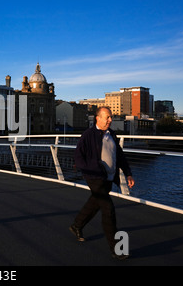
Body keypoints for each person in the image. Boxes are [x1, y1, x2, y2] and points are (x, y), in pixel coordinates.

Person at [69, 106, 135, 260]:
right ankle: (117, 249)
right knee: (108, 209)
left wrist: (128, 174)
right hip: (95, 178)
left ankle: (76, 225)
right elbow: (78, 156)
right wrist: (88, 171)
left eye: (111, 117)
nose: (110, 120)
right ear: (97, 118)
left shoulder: (111, 134)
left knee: (94, 204)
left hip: (108, 179)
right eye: (107, 117)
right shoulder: (88, 135)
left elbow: (119, 156)